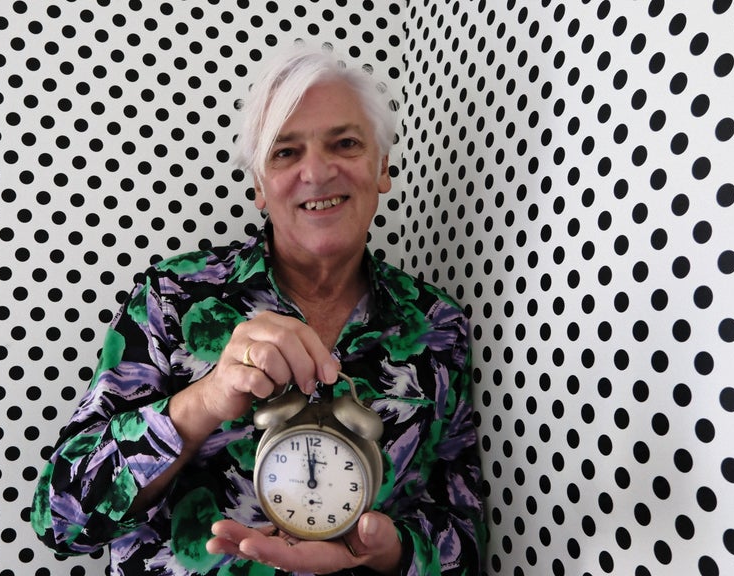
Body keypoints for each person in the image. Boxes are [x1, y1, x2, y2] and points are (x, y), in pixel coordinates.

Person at [30, 44, 484, 575]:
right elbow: (60, 521)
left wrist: (391, 552)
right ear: (259, 187)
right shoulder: (173, 297)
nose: (317, 172)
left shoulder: (437, 326)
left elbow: (465, 538)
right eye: (285, 152)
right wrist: (205, 400)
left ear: (381, 167)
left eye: (345, 143)